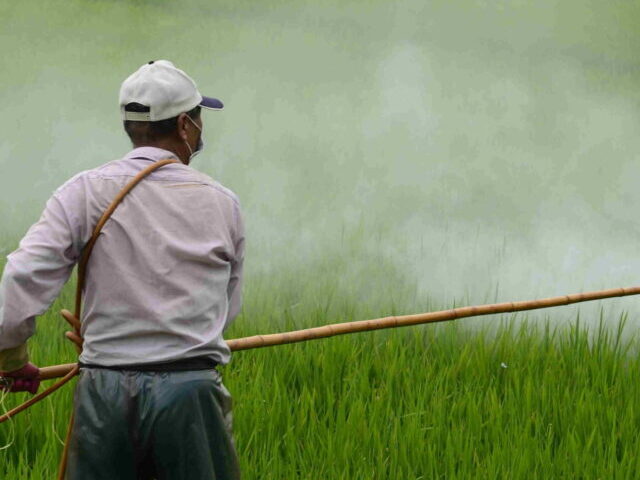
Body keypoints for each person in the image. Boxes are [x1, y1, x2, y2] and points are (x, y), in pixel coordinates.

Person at [0, 60, 245, 479]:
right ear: (186, 126)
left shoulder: (81, 192)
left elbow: (16, 292)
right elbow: (226, 311)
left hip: (105, 395)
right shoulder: (222, 203)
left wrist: (11, 360)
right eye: (201, 118)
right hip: (190, 395)